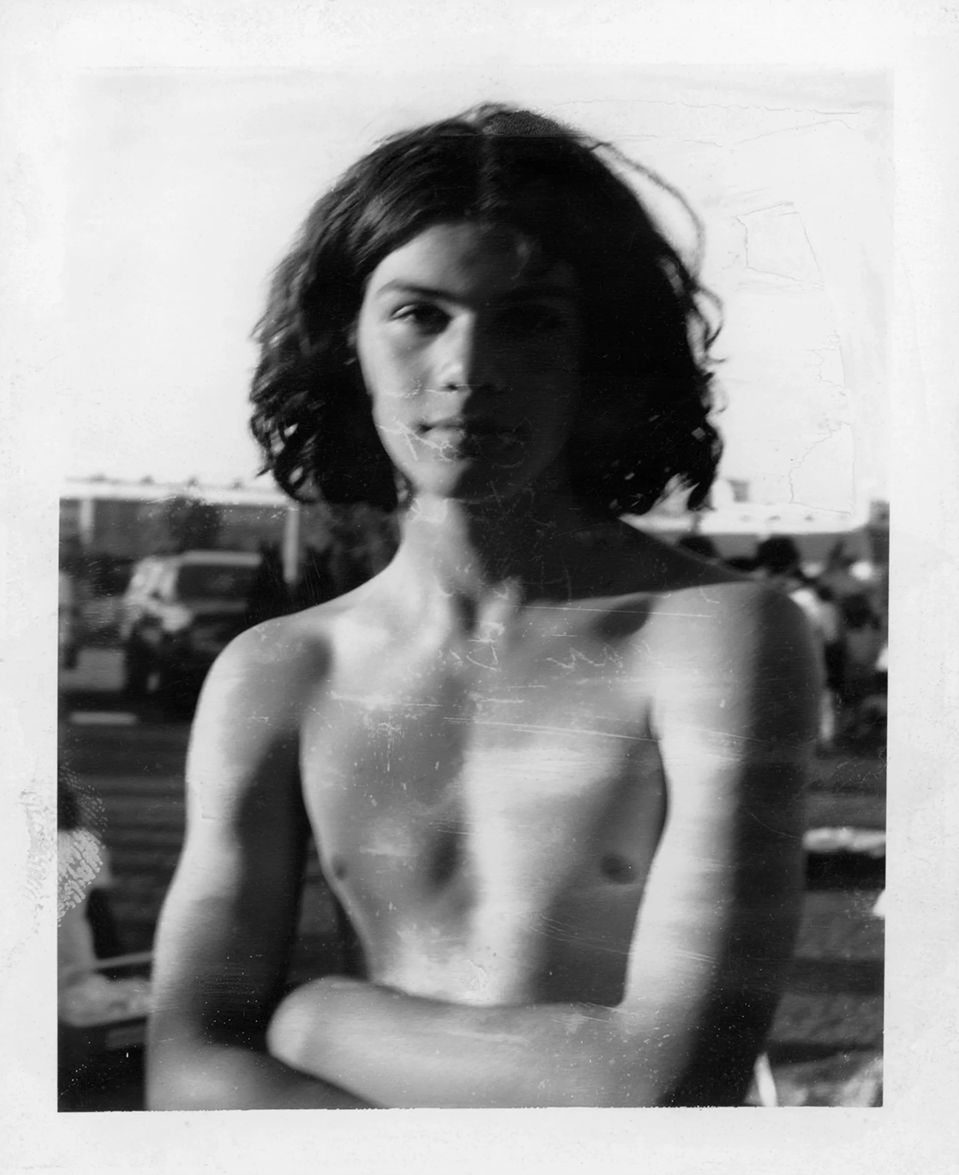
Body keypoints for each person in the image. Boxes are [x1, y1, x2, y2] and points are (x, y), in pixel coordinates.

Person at [146, 105, 819, 1110]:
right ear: (345, 340)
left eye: (529, 319)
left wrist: (315, 1019)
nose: (468, 368)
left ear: (601, 349)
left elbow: (662, 1081)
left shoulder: (715, 637)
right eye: (420, 314)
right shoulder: (276, 672)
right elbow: (185, 1071)